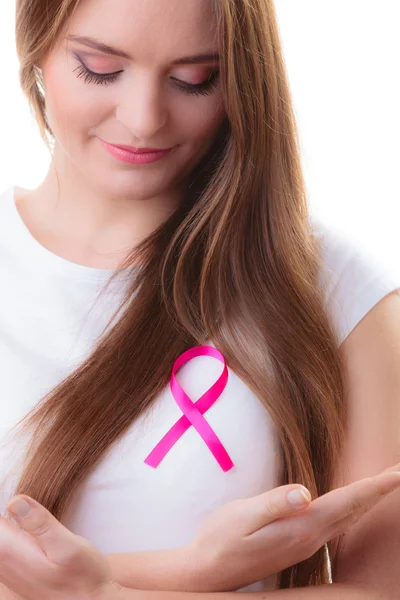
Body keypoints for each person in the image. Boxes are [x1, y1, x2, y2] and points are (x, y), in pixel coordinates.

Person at [0, 0, 399, 598]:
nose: (142, 119)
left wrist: (103, 594)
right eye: (99, 68)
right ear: (36, 49)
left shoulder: (332, 286)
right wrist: (189, 574)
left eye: (196, 79)